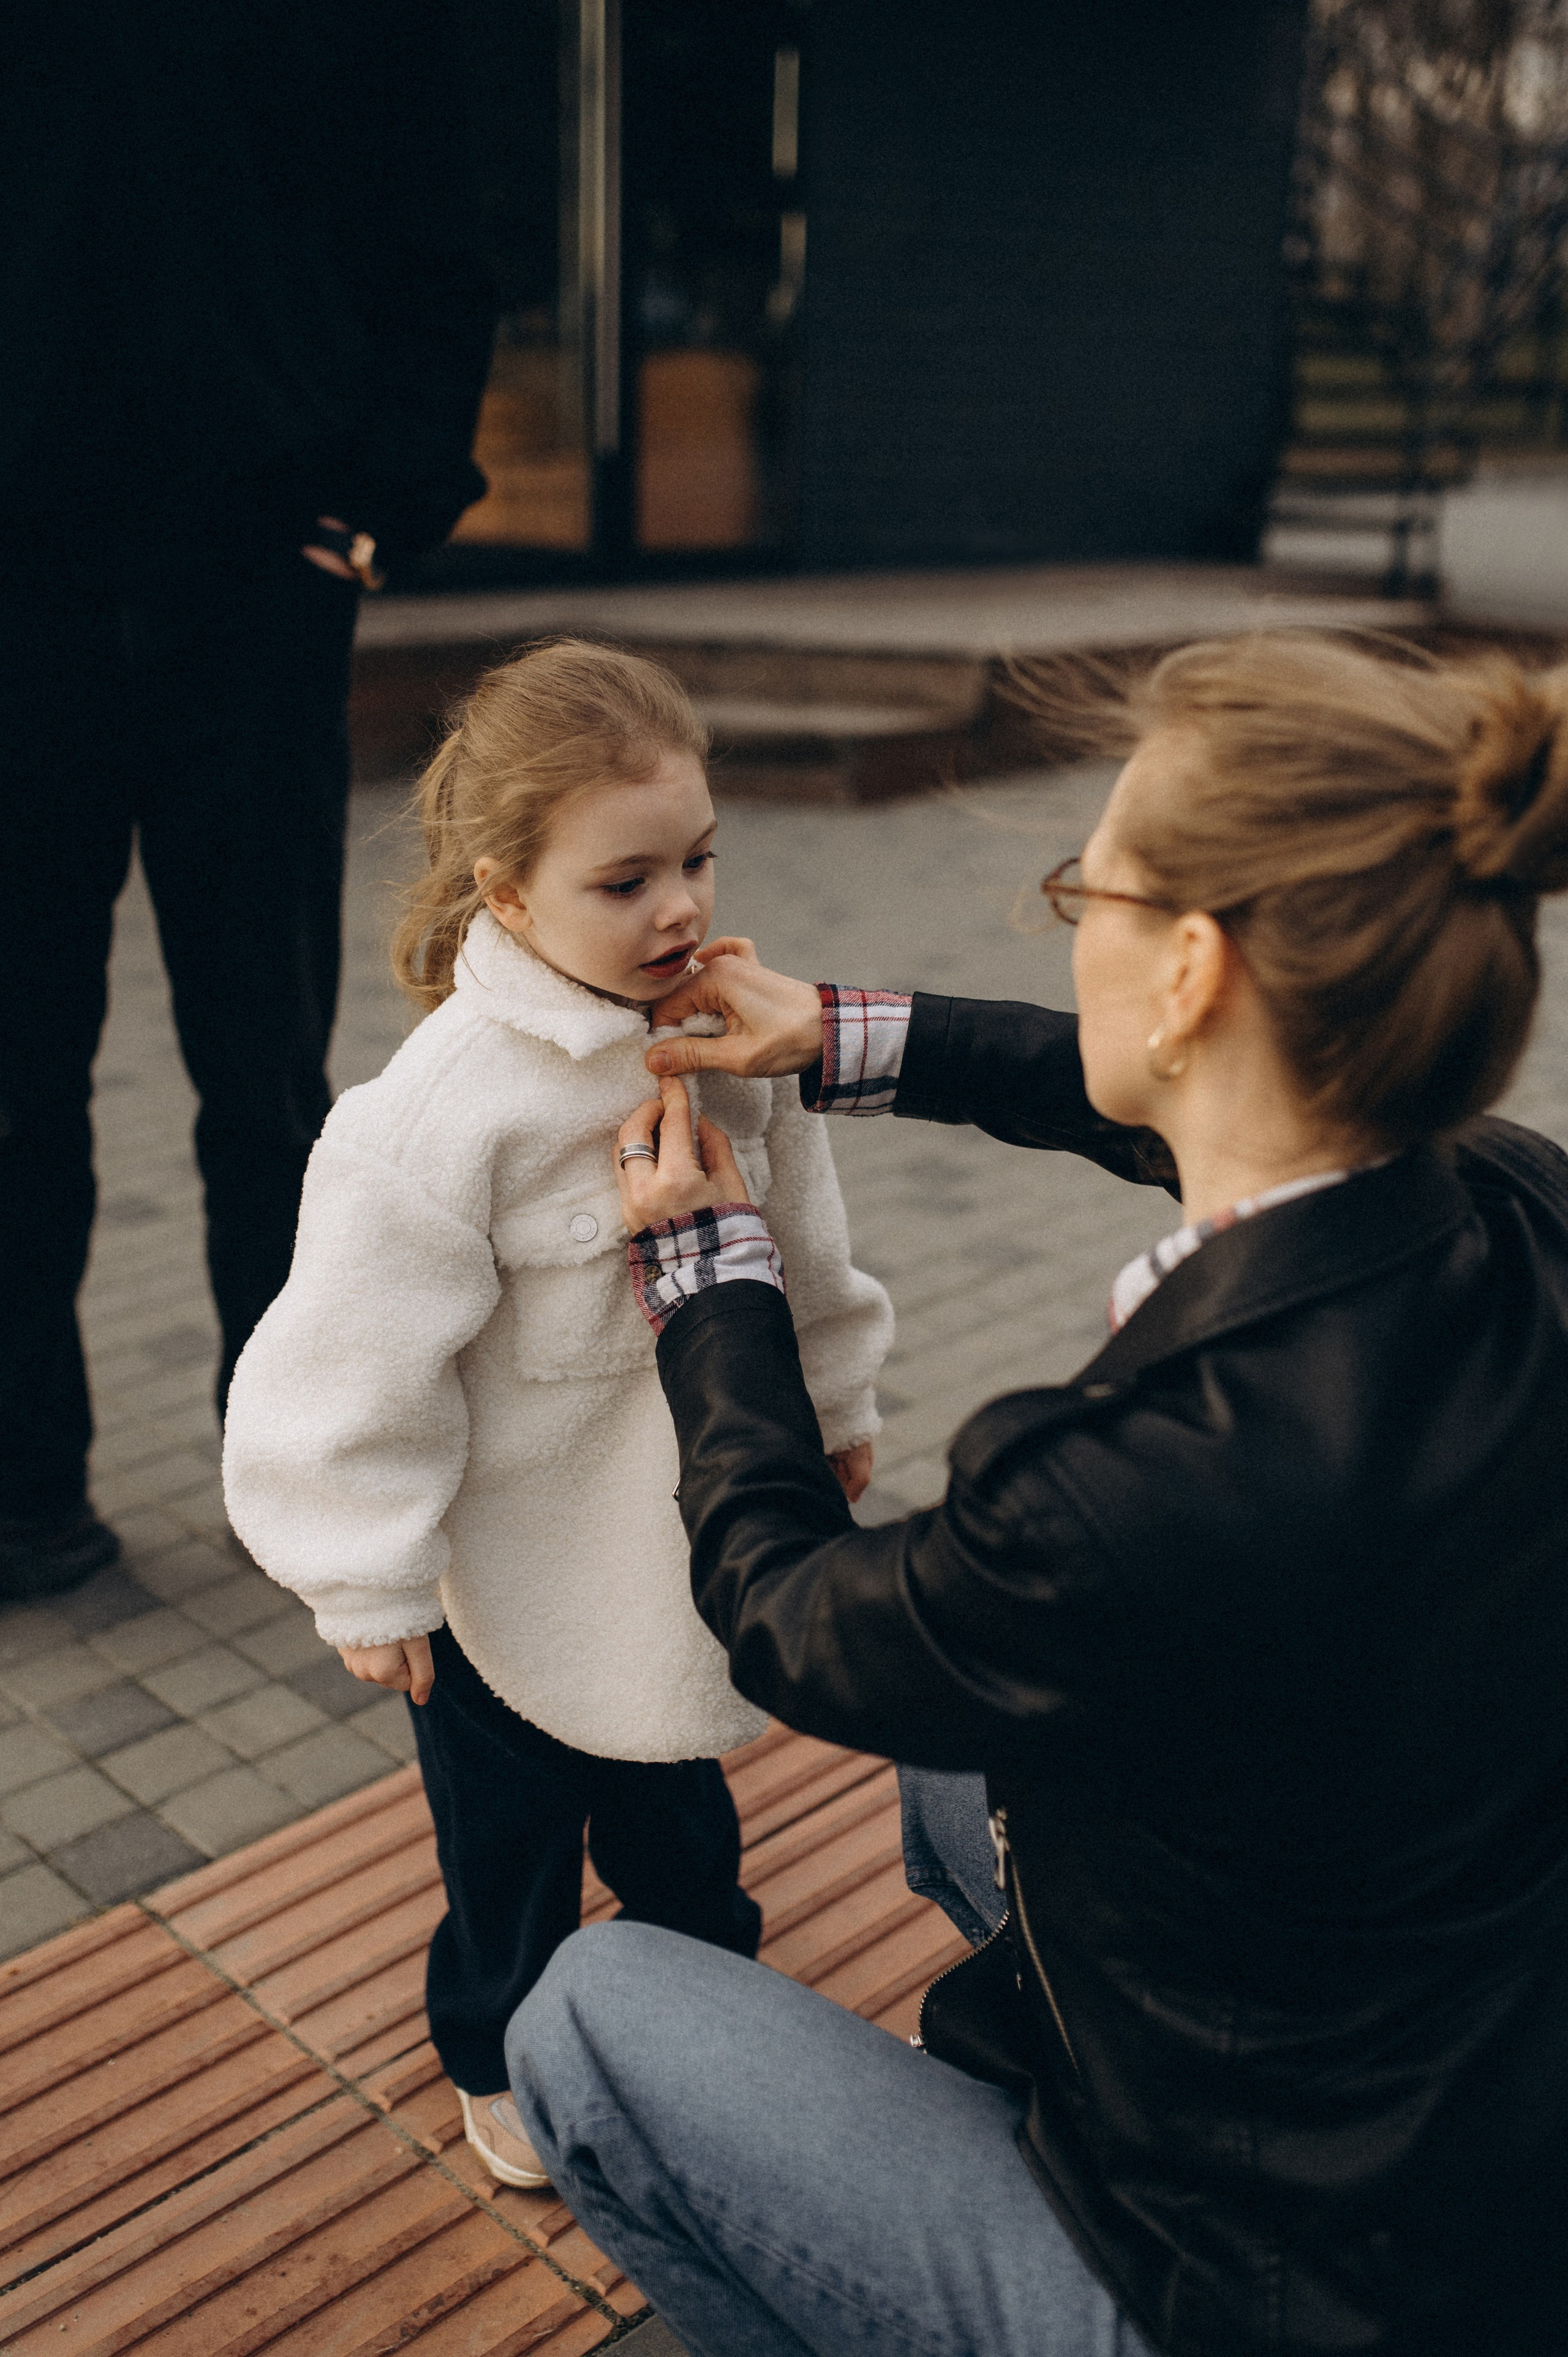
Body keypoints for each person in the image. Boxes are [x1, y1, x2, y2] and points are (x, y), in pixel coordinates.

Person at [505, 632, 1568, 2357]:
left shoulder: (1133, 1489)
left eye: (1092, 895)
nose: (1073, 926)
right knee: (956, 1765)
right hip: (1458, 2132)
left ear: (1196, 971)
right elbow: (1243, 1138)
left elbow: (786, 1612)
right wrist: (847, 1037)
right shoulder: (1517, 1208)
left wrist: (708, 1270)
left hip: (1255, 2287)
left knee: (591, 2016)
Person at [222, 640, 892, 2190]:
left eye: (697, 860)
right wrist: (369, 1571)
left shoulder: (733, 1042)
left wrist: (833, 1402)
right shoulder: (444, 1116)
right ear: (507, 896)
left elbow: (805, 1242)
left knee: (681, 1821)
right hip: (501, 1572)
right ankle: (501, 2053)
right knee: (506, 1851)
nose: (679, 907)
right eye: (624, 880)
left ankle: (705, 2026)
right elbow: (347, 1355)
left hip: (667, 1548)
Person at [0, 2, 496, 1598]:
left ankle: (293, 1483)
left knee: (265, 1078)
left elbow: (438, 217)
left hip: (252, 581)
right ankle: (22, 1496)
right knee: (13, 1084)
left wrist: (390, 496)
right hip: (20, 595)